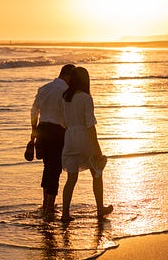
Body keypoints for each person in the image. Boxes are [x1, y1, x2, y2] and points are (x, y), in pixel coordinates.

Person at [61, 67, 113, 222]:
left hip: (69, 137)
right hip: (84, 137)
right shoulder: (85, 97)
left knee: (71, 179)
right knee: (97, 173)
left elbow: (64, 121)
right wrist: (97, 148)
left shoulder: (65, 97)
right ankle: (100, 209)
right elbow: (90, 125)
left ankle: (65, 213)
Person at [30, 64, 75, 214]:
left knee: (47, 166)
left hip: (42, 129)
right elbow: (67, 116)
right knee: (55, 169)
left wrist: (33, 132)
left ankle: (45, 202)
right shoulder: (66, 91)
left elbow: (34, 112)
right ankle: (50, 206)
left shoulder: (43, 88)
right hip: (57, 132)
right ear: (68, 75)